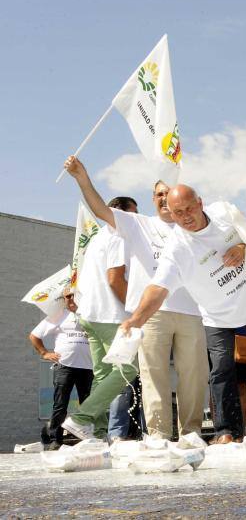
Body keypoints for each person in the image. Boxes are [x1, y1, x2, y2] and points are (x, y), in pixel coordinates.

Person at [115, 184, 246, 443]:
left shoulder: (225, 212)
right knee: (221, 370)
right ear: (172, 215)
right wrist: (136, 318)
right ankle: (226, 431)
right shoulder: (176, 248)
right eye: (178, 213)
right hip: (217, 315)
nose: (186, 216)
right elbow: (157, 288)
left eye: (190, 208)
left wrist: (243, 247)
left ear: (200, 203)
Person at [63, 156, 208, 440]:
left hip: (191, 311)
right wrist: (82, 177)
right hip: (152, 313)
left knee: (193, 376)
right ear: (153, 199)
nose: (165, 199)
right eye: (159, 194)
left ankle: (191, 433)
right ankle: (158, 436)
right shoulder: (137, 224)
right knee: (154, 377)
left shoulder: (193, 227)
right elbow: (101, 210)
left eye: (170, 193)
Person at [61, 197, 140, 440]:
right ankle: (82, 417)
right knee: (128, 368)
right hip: (109, 314)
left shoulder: (96, 239)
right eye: (133, 214)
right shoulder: (118, 236)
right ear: (118, 213)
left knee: (104, 375)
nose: (136, 219)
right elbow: (115, 280)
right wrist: (137, 310)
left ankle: (97, 430)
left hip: (88, 314)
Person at [29, 289, 93, 448]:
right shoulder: (58, 315)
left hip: (87, 366)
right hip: (65, 366)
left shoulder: (90, 315)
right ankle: (54, 439)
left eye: (74, 296)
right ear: (63, 299)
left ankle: (86, 437)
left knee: (87, 404)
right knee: (60, 404)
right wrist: (44, 353)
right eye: (68, 297)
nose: (71, 299)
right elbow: (34, 335)